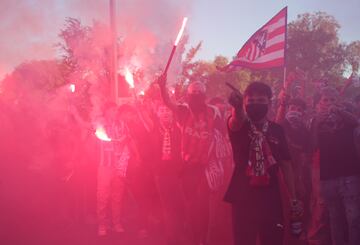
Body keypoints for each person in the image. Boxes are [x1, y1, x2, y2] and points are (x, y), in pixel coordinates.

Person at [225, 81, 300, 245]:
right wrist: (237, 107)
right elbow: (236, 120)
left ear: (269, 103)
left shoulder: (277, 130)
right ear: (244, 103)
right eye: (250, 101)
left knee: (273, 239)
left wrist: (293, 198)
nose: (255, 104)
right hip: (243, 196)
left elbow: (286, 166)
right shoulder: (240, 125)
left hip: (270, 197)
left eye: (260, 100)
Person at [158, 74, 222, 245]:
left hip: (206, 166)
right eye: (193, 92)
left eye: (199, 92)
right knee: (192, 204)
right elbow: (168, 103)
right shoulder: (183, 111)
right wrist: (162, 87)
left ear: (204, 95)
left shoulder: (212, 112)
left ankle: (202, 237)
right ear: (188, 95)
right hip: (188, 167)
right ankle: (194, 235)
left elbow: (221, 134)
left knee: (205, 206)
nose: (196, 94)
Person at [310, 87, 360, 245]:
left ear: (338, 102)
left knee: (353, 219)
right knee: (335, 219)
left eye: (332, 100)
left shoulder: (347, 117)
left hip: (349, 175)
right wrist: (317, 122)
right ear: (319, 103)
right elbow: (312, 145)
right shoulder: (315, 121)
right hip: (328, 177)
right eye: (326, 100)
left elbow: (356, 122)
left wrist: (339, 111)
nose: (329, 103)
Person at [96, 102, 139, 236]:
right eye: (112, 110)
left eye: (116, 110)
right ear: (107, 111)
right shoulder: (100, 124)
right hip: (105, 166)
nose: (115, 112)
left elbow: (129, 139)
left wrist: (136, 155)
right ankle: (102, 224)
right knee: (102, 196)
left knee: (117, 195)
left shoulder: (122, 124)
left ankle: (116, 223)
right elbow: (96, 139)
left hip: (119, 166)